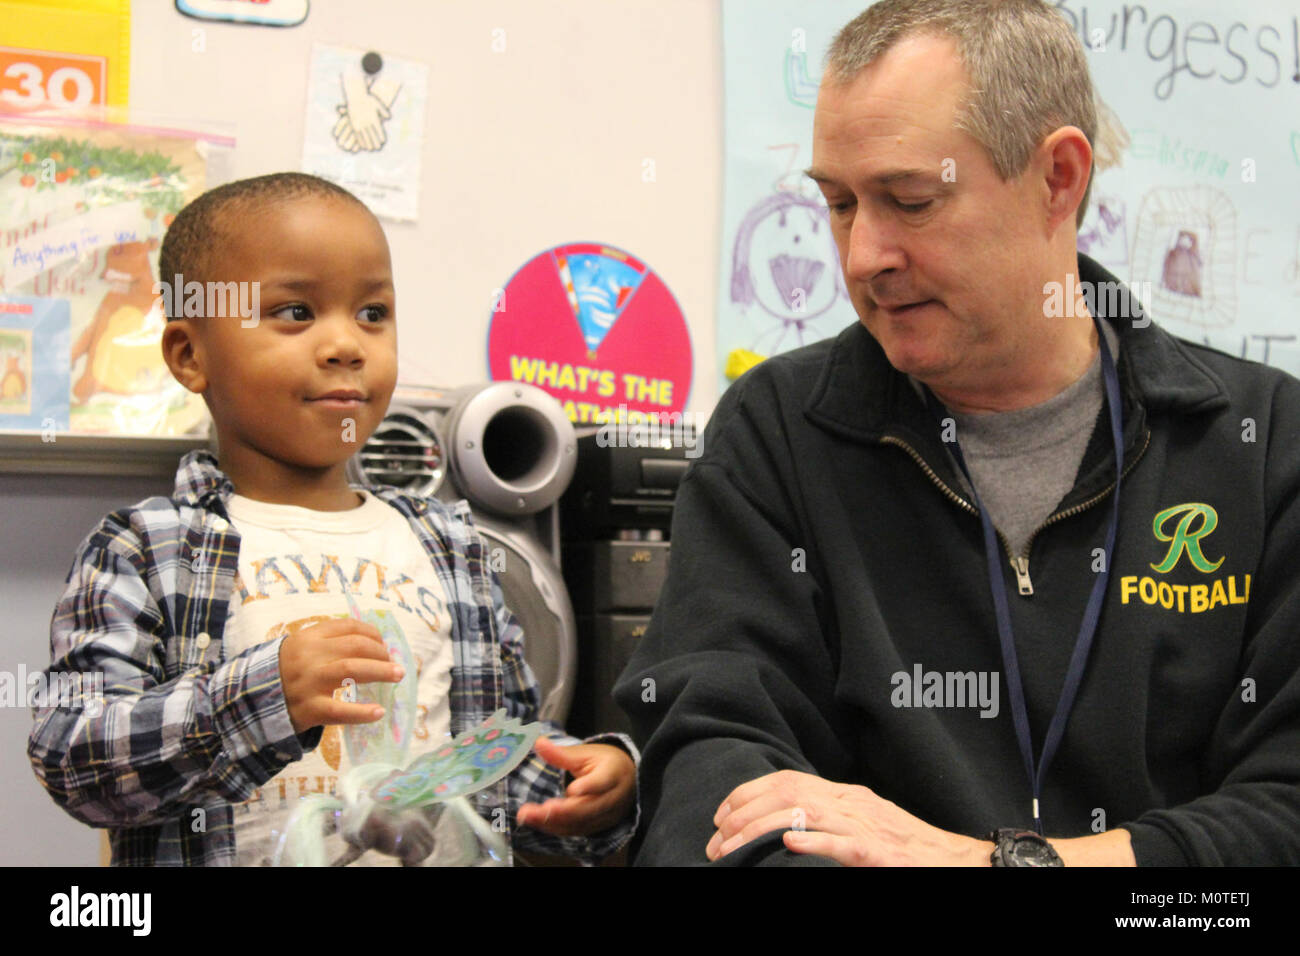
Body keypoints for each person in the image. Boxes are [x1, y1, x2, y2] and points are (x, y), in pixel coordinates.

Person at [614, 0, 1300, 866]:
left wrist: (988, 864)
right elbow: (712, 792)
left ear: (1058, 178)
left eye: (911, 200)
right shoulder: (774, 439)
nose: (863, 255)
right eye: (838, 204)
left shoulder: (1265, 448)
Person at [28, 172, 638, 866]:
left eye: (372, 313)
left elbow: (489, 766)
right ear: (189, 355)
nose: (347, 344)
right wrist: (261, 697)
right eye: (295, 312)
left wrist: (588, 786)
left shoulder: (453, 549)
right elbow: (73, 759)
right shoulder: (145, 549)